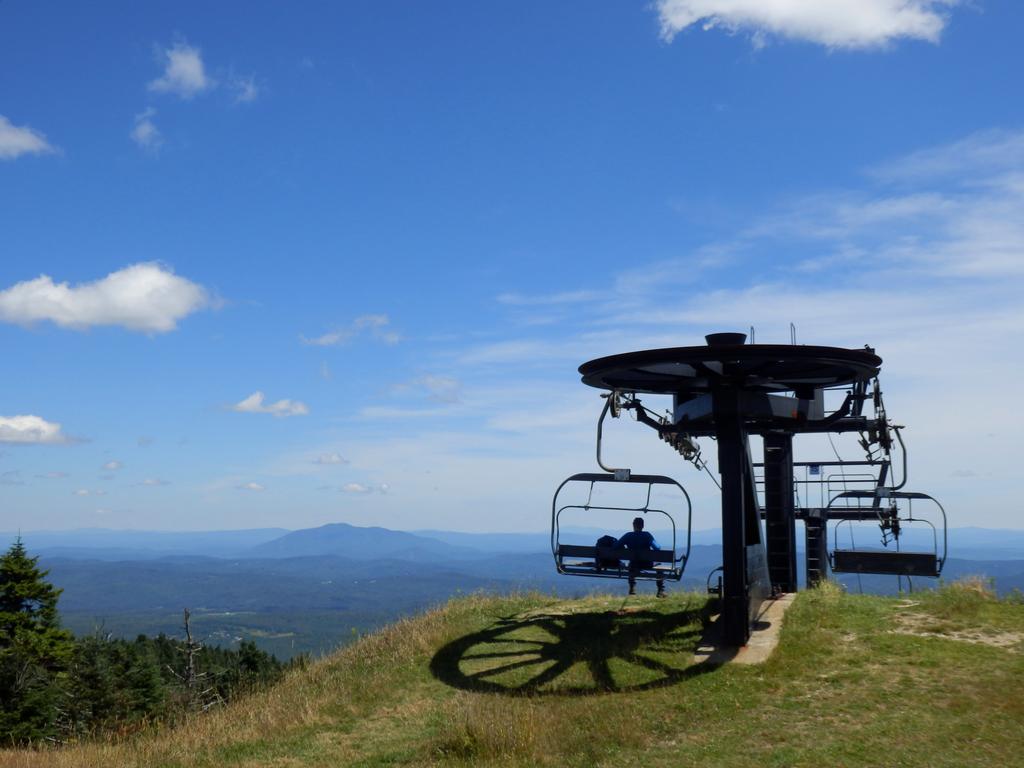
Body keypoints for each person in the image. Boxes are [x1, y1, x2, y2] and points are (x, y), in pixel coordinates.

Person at [616, 517, 666, 598]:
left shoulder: (628, 535)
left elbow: (615, 546)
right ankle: (661, 590)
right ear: (642, 526)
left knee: (631, 564)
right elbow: (657, 548)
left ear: (633, 525)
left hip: (634, 564)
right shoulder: (647, 535)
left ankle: (632, 589)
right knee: (659, 565)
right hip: (647, 563)